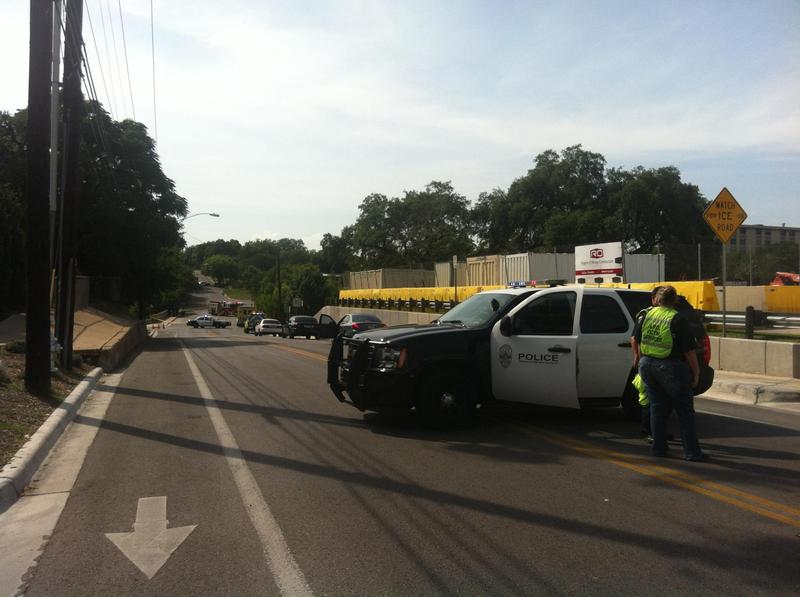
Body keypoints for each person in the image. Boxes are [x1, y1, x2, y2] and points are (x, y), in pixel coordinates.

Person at [634, 285, 708, 461]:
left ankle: (659, 449)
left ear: (657, 299)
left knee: (656, 408)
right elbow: (689, 350)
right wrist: (696, 372)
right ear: (674, 300)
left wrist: (637, 360)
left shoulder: (646, 315)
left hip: (647, 365)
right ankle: (692, 452)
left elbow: (635, 339)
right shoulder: (677, 318)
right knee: (685, 411)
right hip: (670, 367)